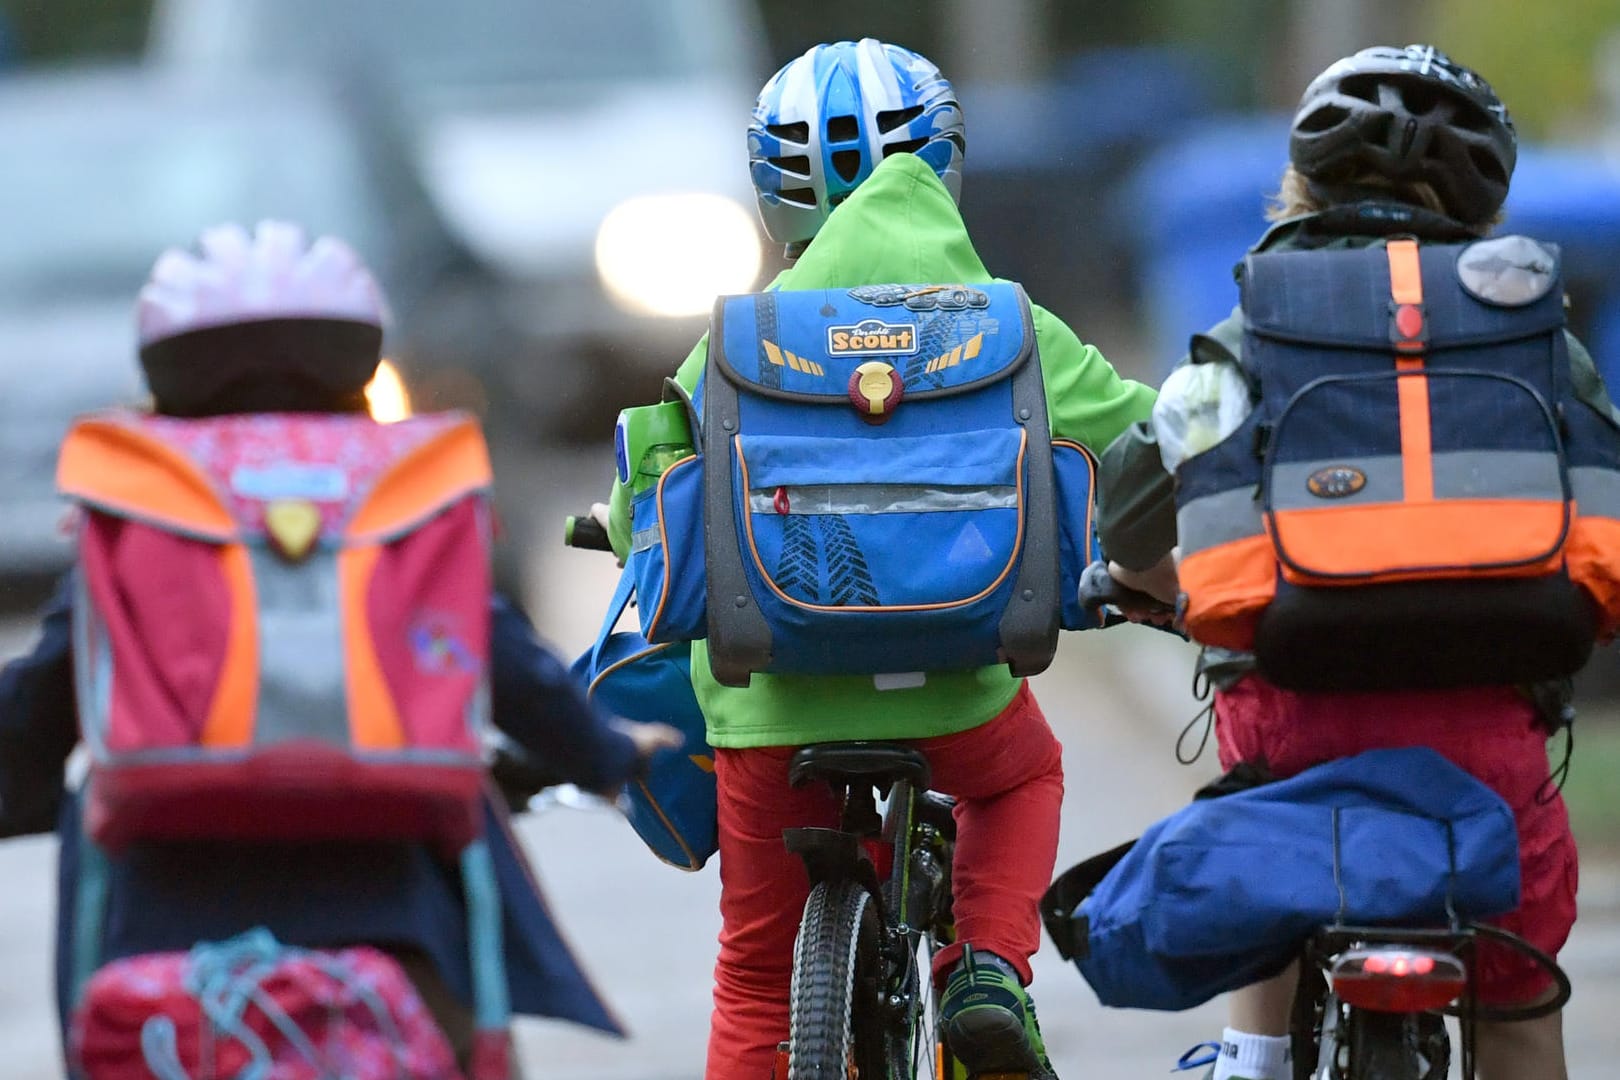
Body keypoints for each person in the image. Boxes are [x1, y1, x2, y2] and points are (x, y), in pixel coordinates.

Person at [598, 38, 1157, 1080]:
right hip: (956, 702)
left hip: (772, 714)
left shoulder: (735, 342)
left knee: (759, 980)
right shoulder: (1008, 327)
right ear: (943, 162)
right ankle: (988, 966)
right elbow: (1146, 446)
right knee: (1025, 774)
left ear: (778, 193)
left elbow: (653, 499)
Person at [0, 221, 680, 1074]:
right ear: (355, 361)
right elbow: (493, 653)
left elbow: (44, 694)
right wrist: (606, 752)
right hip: (392, 913)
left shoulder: (141, 498)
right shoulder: (403, 483)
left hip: (161, 919)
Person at [1097, 46, 1601, 1080]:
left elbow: (1134, 514)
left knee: (1268, 844)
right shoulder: (1538, 335)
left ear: (1301, 183)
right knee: (1519, 993)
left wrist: (1156, 590)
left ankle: (1256, 1055)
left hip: (1297, 722)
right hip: (1490, 746)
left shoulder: (1253, 328)